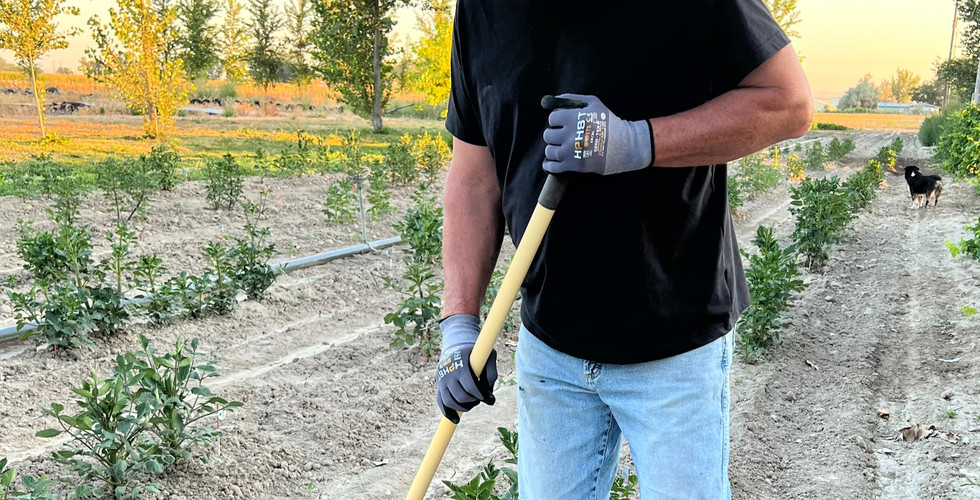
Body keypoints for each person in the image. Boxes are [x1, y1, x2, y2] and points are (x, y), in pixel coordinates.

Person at [433, 1, 813, 498]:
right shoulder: (482, 11)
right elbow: (473, 176)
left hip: (675, 337)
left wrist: (639, 141)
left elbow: (788, 103)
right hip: (552, 345)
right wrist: (459, 324)